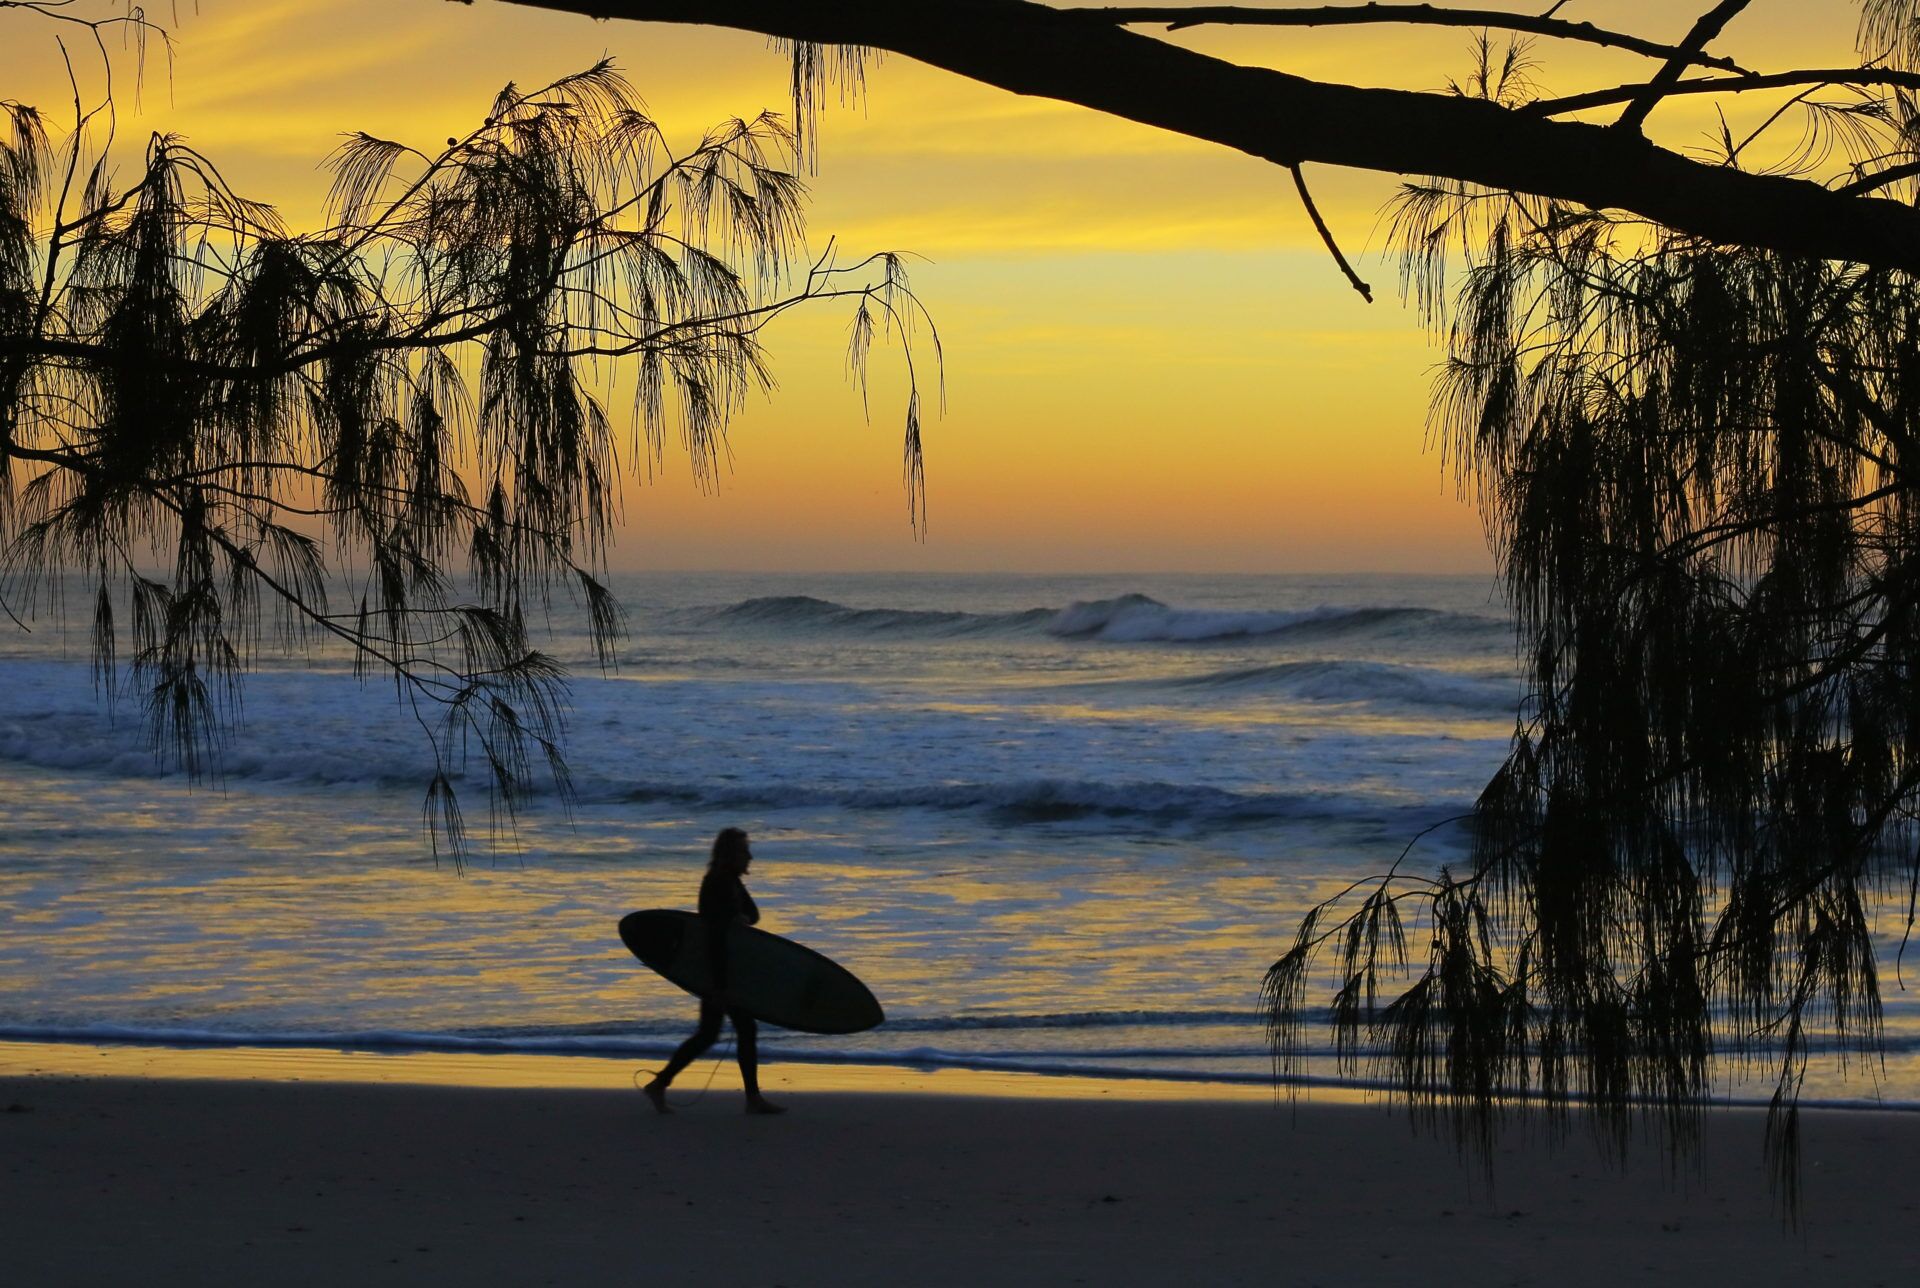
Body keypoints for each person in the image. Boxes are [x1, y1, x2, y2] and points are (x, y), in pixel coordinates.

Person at [642, 827, 785, 1115]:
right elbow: (715, 939)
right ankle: (752, 1099)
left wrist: (740, 916)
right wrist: (719, 986)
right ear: (731, 854)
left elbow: (753, 915)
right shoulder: (716, 884)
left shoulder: (729, 881)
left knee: (709, 1034)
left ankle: (660, 1083)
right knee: (742, 1028)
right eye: (745, 851)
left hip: (722, 971)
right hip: (716, 970)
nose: (751, 857)